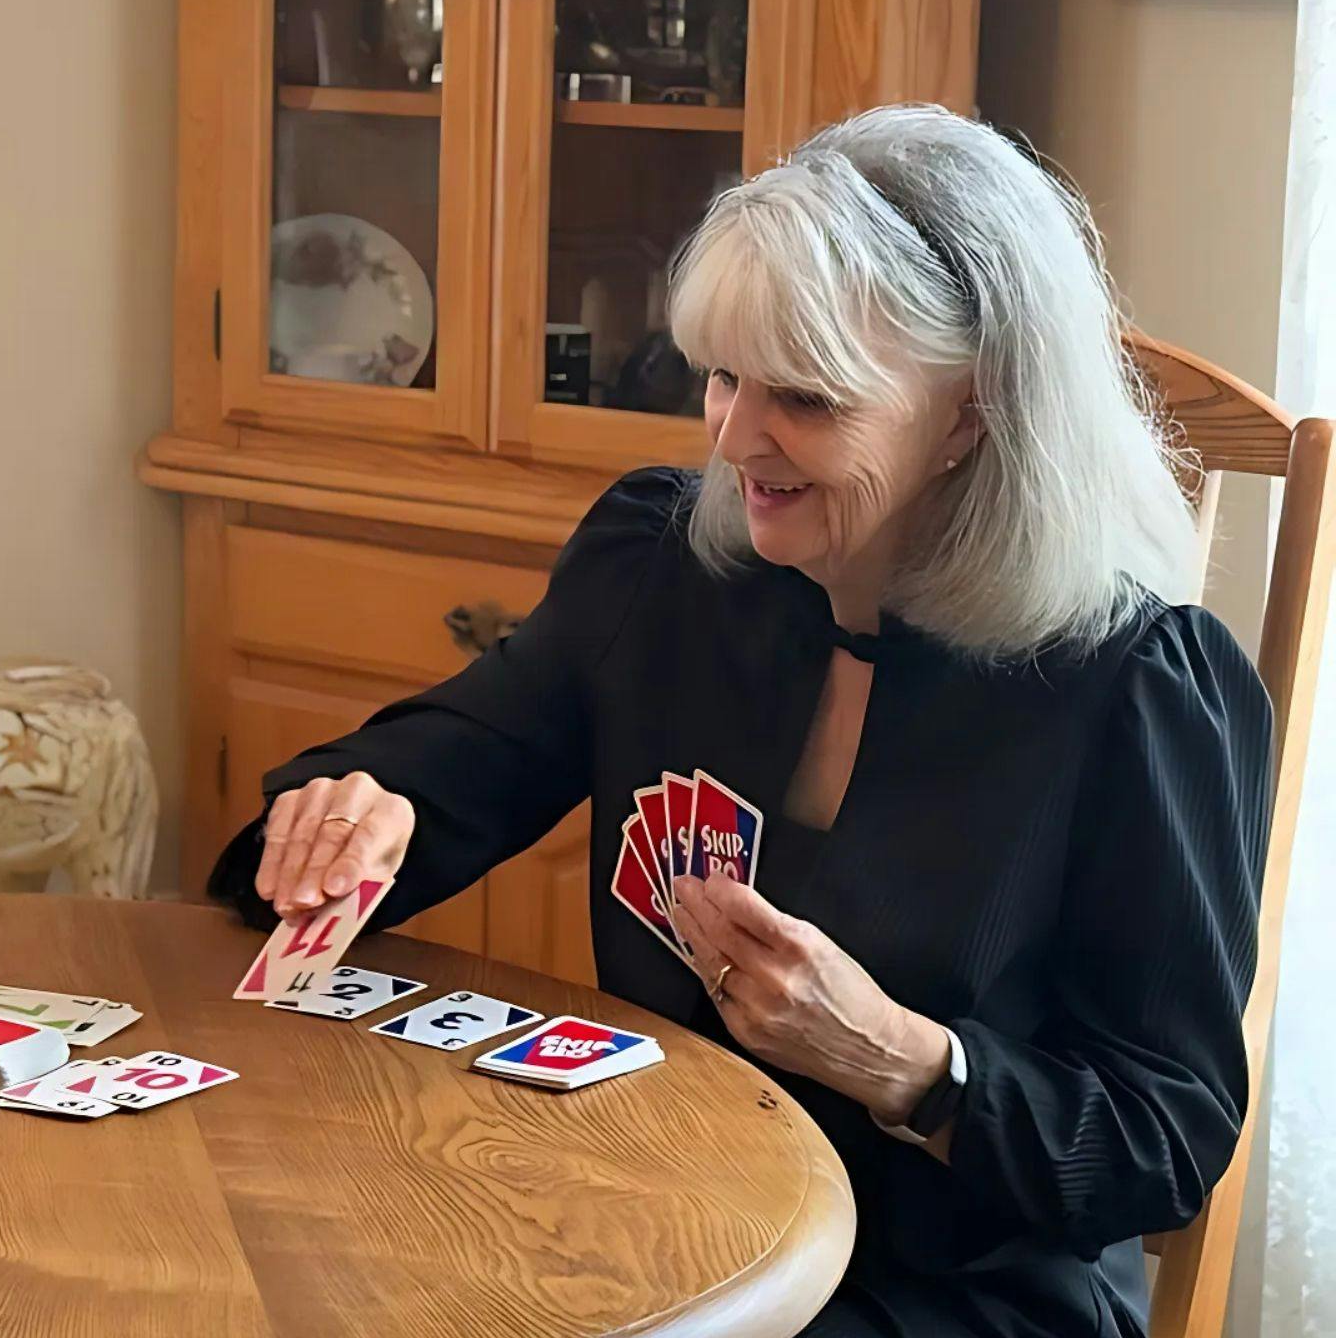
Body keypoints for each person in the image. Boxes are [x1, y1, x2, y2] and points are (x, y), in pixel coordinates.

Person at [211, 104, 1271, 1337]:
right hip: (663, 1228)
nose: (734, 438)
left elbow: (1158, 1143)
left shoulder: (1138, 687)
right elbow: (442, 772)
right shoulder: (660, 567)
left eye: (807, 399)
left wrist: (906, 1065)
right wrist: (354, 816)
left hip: (953, 1296)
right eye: (722, 375)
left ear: (969, 417)